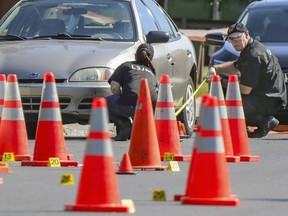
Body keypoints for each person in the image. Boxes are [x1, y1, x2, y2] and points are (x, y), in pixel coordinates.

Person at [206, 23, 287, 138]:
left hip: (268, 99)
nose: (235, 42)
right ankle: (248, 122)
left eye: (238, 37)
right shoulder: (251, 48)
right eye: (232, 39)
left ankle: (264, 121)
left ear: (246, 35)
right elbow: (235, 66)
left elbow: (245, 89)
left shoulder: (254, 55)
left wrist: (221, 81)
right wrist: (216, 69)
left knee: (230, 107)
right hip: (266, 95)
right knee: (230, 98)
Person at [106, 43, 158, 141]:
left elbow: (114, 87)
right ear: (151, 58)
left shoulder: (126, 65)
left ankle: (125, 122)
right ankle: (142, 124)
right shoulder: (152, 72)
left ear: (135, 55)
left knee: (103, 103)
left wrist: (120, 105)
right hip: (152, 110)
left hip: (134, 107)